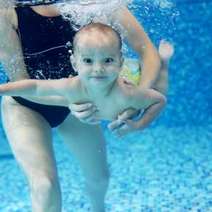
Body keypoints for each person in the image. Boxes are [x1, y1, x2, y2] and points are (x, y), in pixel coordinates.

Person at [0, 1, 163, 211]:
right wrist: (71, 100)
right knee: (44, 185)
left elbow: (148, 51)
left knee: (100, 178)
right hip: (27, 106)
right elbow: (21, 84)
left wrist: (135, 100)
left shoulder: (96, 3)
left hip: (81, 102)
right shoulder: (6, 8)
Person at [0, 23, 173, 129]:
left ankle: (164, 62)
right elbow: (35, 86)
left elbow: (160, 100)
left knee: (159, 85)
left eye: (107, 61)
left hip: (129, 75)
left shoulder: (129, 94)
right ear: (75, 63)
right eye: (88, 61)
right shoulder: (72, 85)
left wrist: (140, 124)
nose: (98, 69)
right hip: (115, 73)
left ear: (119, 62)